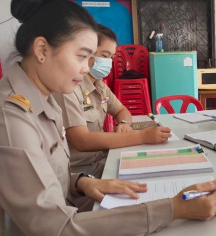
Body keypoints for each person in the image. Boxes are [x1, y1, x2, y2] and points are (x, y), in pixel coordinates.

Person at [0, 0, 216, 236]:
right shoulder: (12, 117)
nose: (86, 69)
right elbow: (54, 228)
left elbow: (49, 176)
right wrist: (172, 209)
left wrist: (81, 182)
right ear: (42, 50)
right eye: (82, 57)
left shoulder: (46, 98)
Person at [53, 24, 171, 179]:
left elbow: (122, 110)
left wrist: (123, 123)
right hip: (79, 174)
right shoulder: (69, 88)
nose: (109, 62)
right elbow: (82, 141)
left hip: (102, 161)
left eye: (112, 57)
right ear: (86, 53)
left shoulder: (99, 84)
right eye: (104, 55)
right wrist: (142, 136)